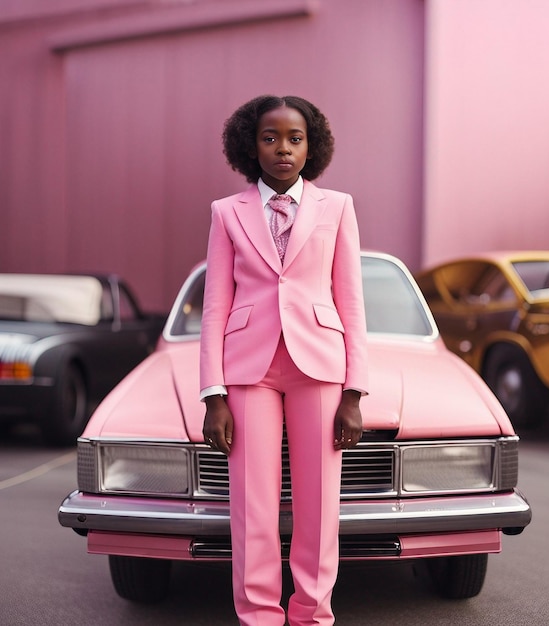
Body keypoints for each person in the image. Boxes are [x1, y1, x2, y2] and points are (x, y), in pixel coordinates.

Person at [199, 95, 369, 626]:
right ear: (250, 145)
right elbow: (214, 308)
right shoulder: (226, 212)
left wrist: (355, 392)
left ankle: (312, 614)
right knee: (252, 507)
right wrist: (214, 394)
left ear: (311, 145)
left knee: (319, 507)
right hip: (248, 370)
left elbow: (352, 301)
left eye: (295, 138)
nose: (283, 149)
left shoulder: (336, 207)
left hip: (319, 366)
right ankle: (259, 617)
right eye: (270, 138)